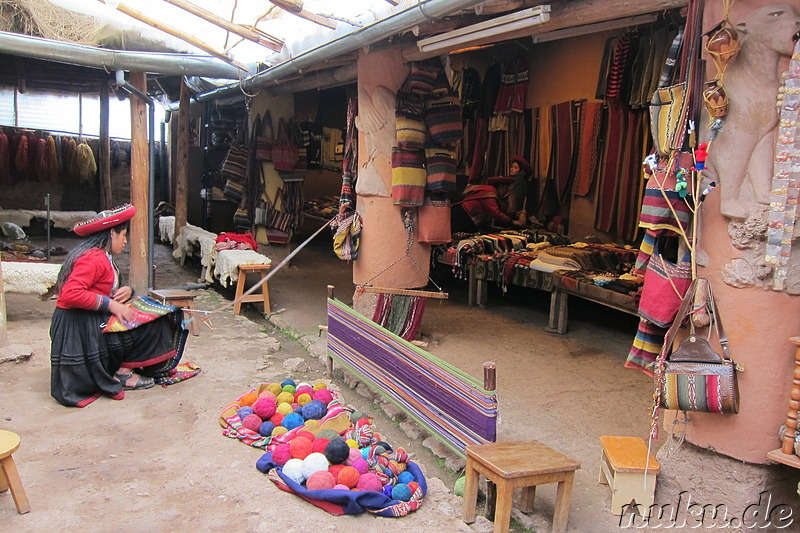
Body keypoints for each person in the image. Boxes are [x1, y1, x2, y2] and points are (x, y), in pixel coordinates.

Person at [50, 204, 187, 407]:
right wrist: (111, 305)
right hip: (80, 331)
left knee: (147, 308)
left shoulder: (100, 256)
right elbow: (70, 294)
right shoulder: (93, 258)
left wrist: (127, 292)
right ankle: (123, 373)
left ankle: (123, 366)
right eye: (123, 235)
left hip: (86, 322)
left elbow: (95, 288)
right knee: (155, 323)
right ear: (111, 233)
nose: (125, 241)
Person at [451, 176, 526, 234]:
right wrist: (513, 221)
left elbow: (501, 210)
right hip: (463, 215)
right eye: (506, 189)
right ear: (500, 187)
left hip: (468, 216)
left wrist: (515, 214)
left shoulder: (492, 193)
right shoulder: (490, 193)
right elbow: (496, 213)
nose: (507, 192)